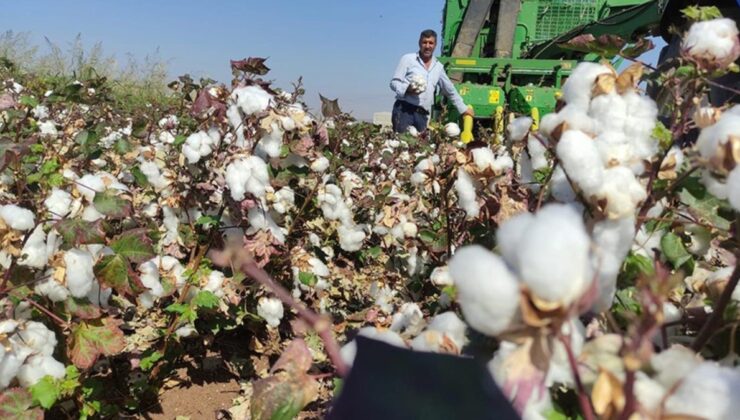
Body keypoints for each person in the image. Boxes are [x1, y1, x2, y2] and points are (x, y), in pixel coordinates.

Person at [390, 29, 474, 134]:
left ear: (435, 45)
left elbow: (450, 90)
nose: (427, 46)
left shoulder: (438, 67)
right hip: (404, 111)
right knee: (402, 144)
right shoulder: (408, 59)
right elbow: (394, 83)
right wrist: (407, 89)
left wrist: (463, 108)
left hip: (422, 115)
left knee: (420, 147)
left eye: (431, 43)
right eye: (424, 42)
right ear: (419, 43)